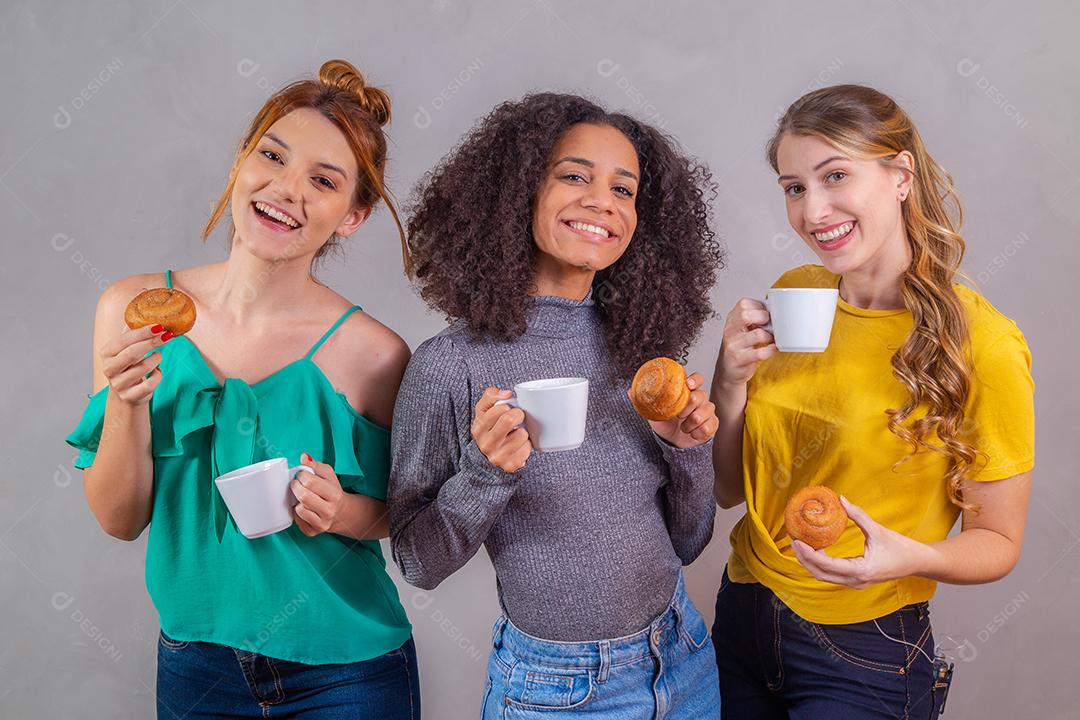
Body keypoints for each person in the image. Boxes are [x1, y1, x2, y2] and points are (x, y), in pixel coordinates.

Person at [65, 60, 420, 719]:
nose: (288, 190)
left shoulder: (375, 354)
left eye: (324, 180)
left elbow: (411, 518)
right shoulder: (132, 309)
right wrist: (126, 403)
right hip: (196, 668)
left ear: (353, 216)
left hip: (348, 671)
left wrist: (338, 511)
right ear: (239, 162)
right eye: (272, 157)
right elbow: (119, 520)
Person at [389, 93, 725, 718]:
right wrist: (487, 474)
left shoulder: (642, 349)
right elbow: (416, 561)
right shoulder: (451, 366)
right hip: (561, 690)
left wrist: (688, 451)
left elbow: (687, 542)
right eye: (575, 176)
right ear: (516, 194)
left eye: (624, 190)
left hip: (682, 655)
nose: (603, 201)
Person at [709, 84, 1035, 718]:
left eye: (835, 176)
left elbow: (998, 539)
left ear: (900, 175)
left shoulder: (984, 344)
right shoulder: (793, 292)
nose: (812, 210)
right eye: (794, 187)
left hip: (867, 648)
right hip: (743, 614)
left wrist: (906, 557)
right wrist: (728, 380)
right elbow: (727, 489)